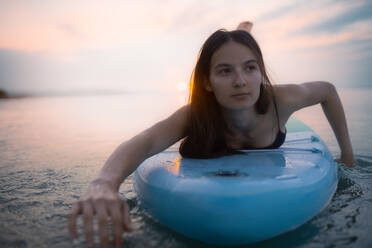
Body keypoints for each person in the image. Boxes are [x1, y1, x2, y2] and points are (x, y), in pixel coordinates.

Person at [68, 22, 356, 248]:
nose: (241, 81)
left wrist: (348, 155)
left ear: (261, 72)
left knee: (238, 40)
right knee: (235, 44)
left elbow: (328, 91)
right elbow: (145, 141)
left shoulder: (282, 99)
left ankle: (243, 32)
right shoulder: (195, 115)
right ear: (206, 81)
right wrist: (105, 182)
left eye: (250, 68)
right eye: (224, 71)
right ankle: (240, 34)